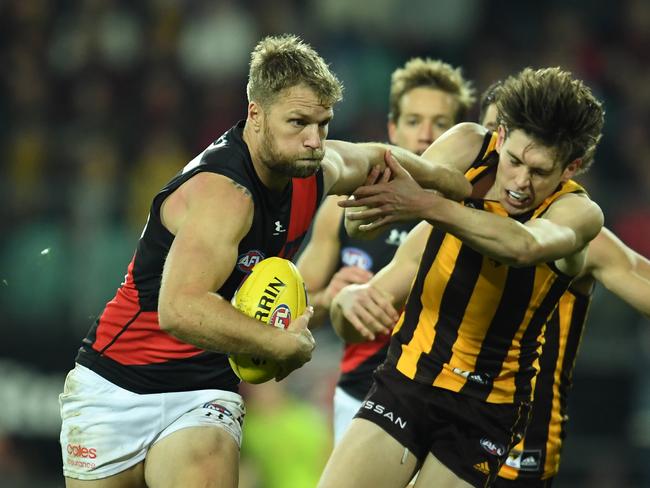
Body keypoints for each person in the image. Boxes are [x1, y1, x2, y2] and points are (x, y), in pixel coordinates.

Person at [58, 34, 473, 488]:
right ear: (255, 114)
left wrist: (453, 182)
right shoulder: (223, 194)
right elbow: (179, 309)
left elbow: (379, 157)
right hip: (116, 383)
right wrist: (278, 344)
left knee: (208, 452)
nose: (314, 141)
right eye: (297, 123)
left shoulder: (315, 169)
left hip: (203, 387)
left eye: (323, 124)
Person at [317, 66, 605, 488]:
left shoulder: (579, 214)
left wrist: (427, 203)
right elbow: (367, 216)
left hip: (485, 410)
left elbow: (522, 246)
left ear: (571, 167)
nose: (521, 183)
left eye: (540, 171)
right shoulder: (470, 145)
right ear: (502, 137)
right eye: (515, 161)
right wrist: (346, 302)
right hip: (408, 380)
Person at [296, 57, 476, 444]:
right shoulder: (346, 206)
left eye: (441, 124)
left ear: (464, 134)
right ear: (393, 128)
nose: (426, 135)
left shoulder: (475, 216)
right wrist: (329, 298)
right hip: (363, 394)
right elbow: (295, 312)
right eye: (413, 121)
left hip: (451, 403)